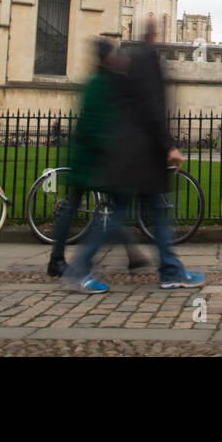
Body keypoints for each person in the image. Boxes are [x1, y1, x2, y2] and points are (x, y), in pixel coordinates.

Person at [118, 14, 206, 291]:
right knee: (146, 213)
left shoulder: (134, 60)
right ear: (154, 35)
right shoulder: (148, 61)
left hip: (136, 152)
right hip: (145, 154)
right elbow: (154, 109)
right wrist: (169, 145)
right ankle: (169, 270)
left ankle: (168, 268)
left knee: (137, 212)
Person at [54, 40, 144, 291]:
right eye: (113, 55)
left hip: (91, 162)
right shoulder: (99, 85)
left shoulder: (98, 82)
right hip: (94, 163)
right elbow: (96, 128)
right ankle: (78, 269)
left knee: (95, 208)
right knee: (115, 208)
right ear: (106, 58)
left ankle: (60, 260)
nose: (117, 59)